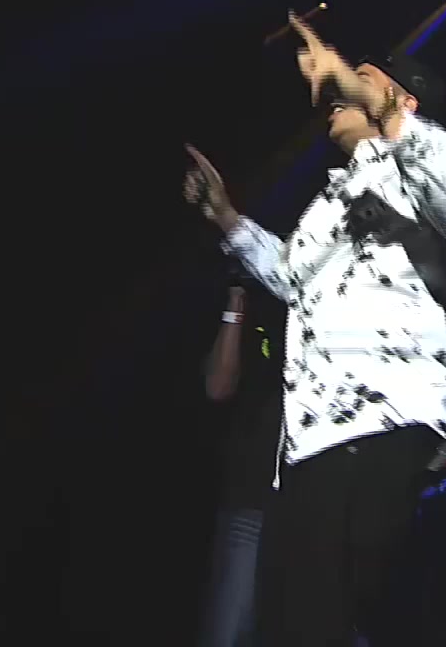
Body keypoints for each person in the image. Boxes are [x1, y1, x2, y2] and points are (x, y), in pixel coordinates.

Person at [182, 12, 446, 646]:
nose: (336, 92)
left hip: (385, 421)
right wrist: (226, 217)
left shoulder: (427, 169)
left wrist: (359, 85)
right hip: (309, 441)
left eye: (361, 82)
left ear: (402, 101)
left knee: (324, 618)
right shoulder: (333, 199)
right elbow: (292, 277)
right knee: (294, 623)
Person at [197, 269, 283, 647]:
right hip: (252, 504)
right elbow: (218, 385)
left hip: (319, 508)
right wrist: (236, 300)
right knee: (229, 631)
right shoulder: (258, 305)